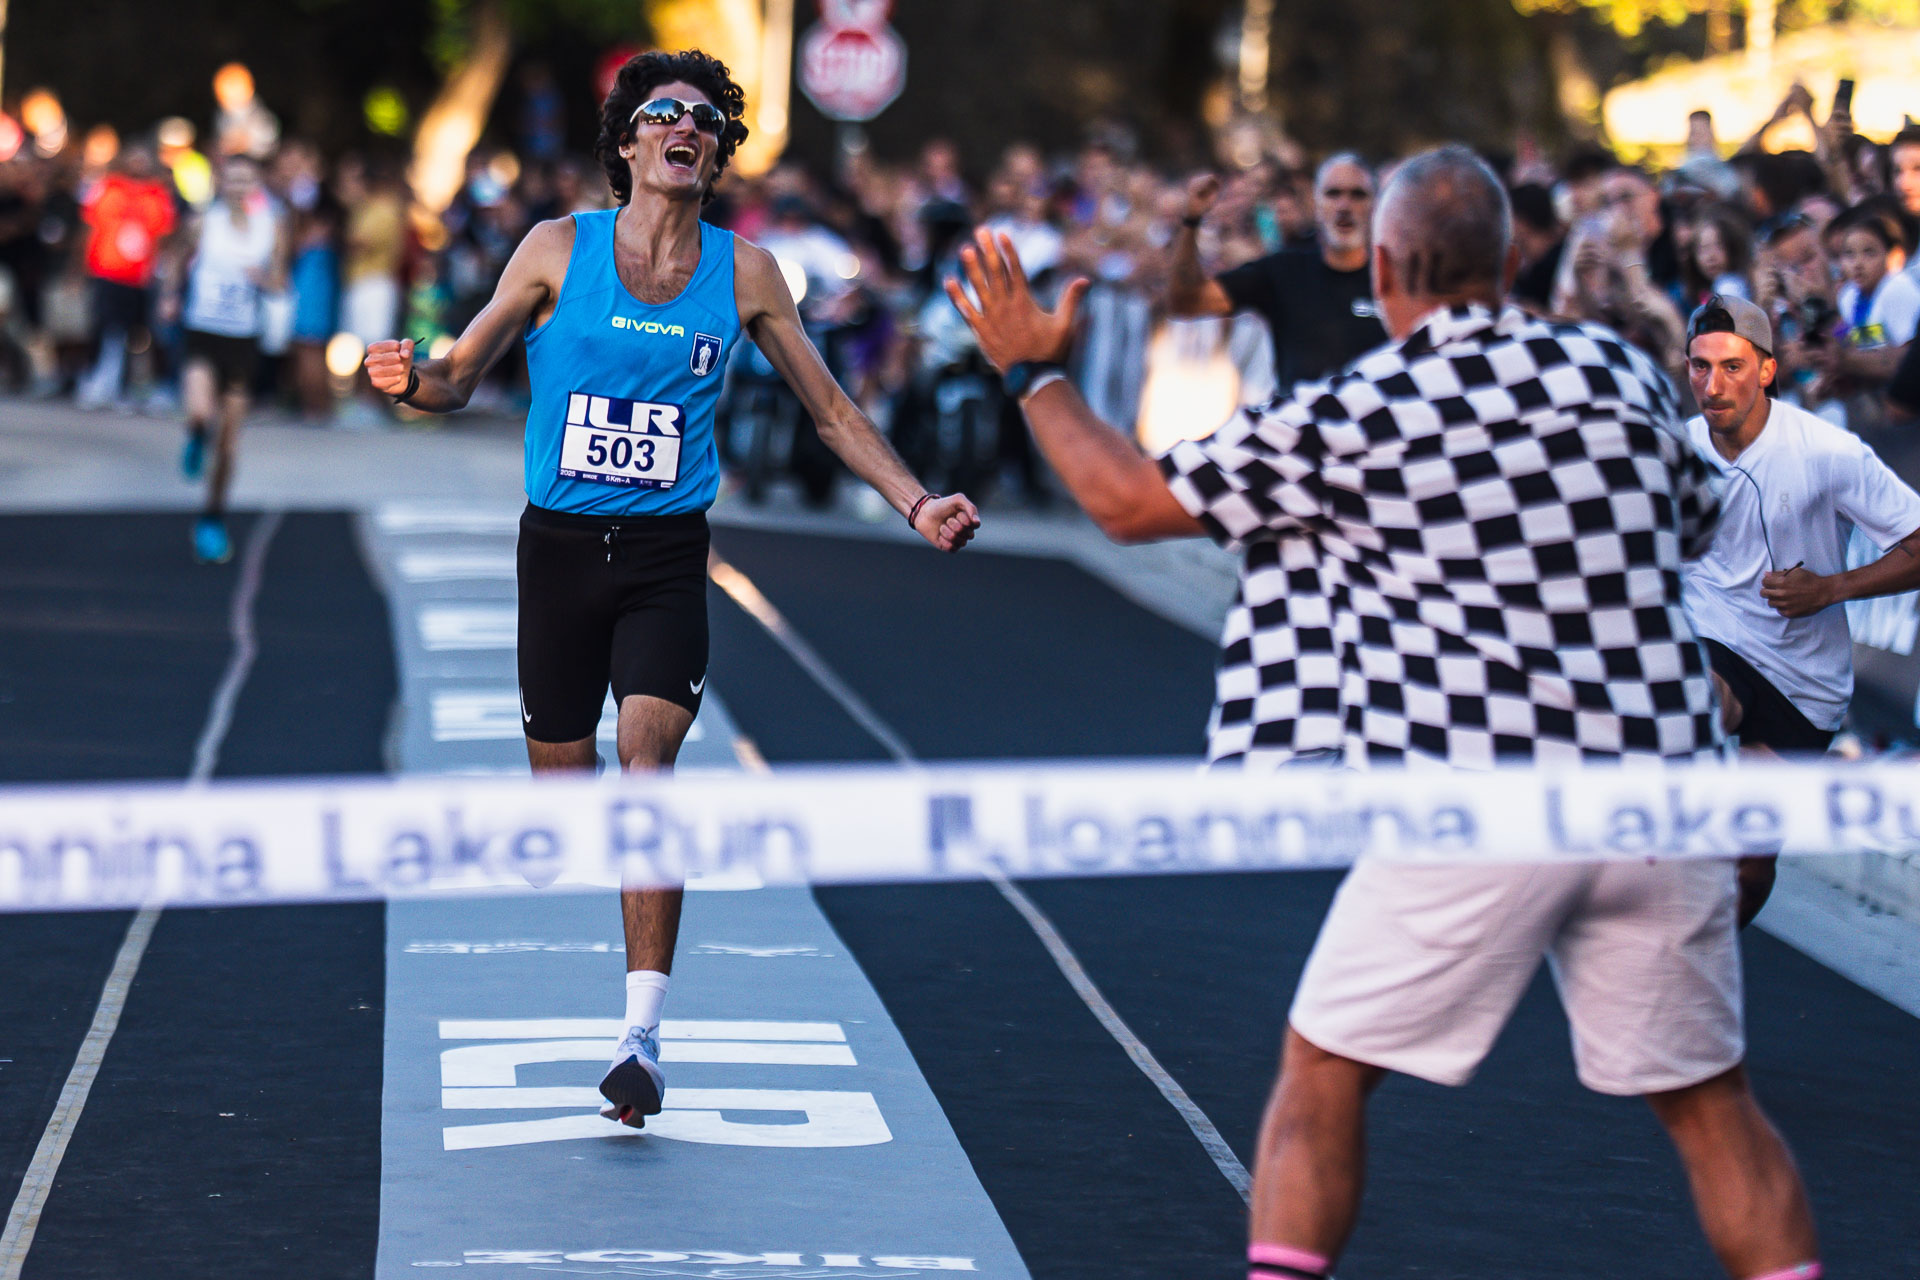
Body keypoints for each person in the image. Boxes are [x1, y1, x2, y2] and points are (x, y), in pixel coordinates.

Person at [947, 144, 1822, 1280]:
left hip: (1481, 797)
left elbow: (1125, 501)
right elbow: (1696, 518)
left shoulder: (1366, 408)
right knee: (1713, 1106)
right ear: (1510, 261)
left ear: (1391, 269)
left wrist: (1035, 374)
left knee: (1322, 1071)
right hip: (1660, 793)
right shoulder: (1614, 372)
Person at [362, 49, 978, 1130]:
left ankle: (640, 1038)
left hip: (661, 556)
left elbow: (831, 409)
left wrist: (916, 501)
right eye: (663, 114)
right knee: (566, 793)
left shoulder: (746, 274)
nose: (684, 126)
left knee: (648, 774)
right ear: (630, 145)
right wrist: (414, 380)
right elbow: (460, 375)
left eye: (704, 117)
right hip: (556, 549)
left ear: (717, 152)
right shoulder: (558, 247)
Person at [1682, 294, 1920, 917]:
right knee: (1696, 704)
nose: (1713, 384)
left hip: (1804, 677)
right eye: (1699, 366)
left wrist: (1830, 589)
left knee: (1752, 865)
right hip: (1715, 637)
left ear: (1765, 370)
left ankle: (1711, 938)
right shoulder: (1673, 452)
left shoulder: (1827, 451)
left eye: (1732, 367)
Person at [1168, 153, 1384, 397]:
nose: (1344, 206)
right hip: (1300, 430)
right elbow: (1186, 301)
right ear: (1315, 202)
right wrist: (1191, 220)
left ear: (1377, 204)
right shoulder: (1284, 270)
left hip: (1376, 430)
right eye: (1333, 194)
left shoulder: (1395, 279)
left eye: (1358, 195)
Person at [163, 152, 288, 564]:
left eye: (246, 180)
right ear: (221, 182)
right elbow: (175, 259)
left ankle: (211, 519)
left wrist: (263, 279)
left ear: (257, 185)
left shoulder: (272, 227)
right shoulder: (204, 223)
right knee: (200, 411)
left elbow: (280, 281)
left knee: (230, 445)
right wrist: (169, 296)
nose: (239, 187)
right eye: (232, 179)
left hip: (243, 338)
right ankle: (195, 435)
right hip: (203, 331)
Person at [75, 143, 177, 410]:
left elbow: (165, 238)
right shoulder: (105, 187)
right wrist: (79, 267)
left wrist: (160, 273)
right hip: (107, 271)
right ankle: (100, 382)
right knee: (105, 327)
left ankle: (134, 386)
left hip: (141, 276)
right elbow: (88, 228)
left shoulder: (158, 194)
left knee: (140, 334)